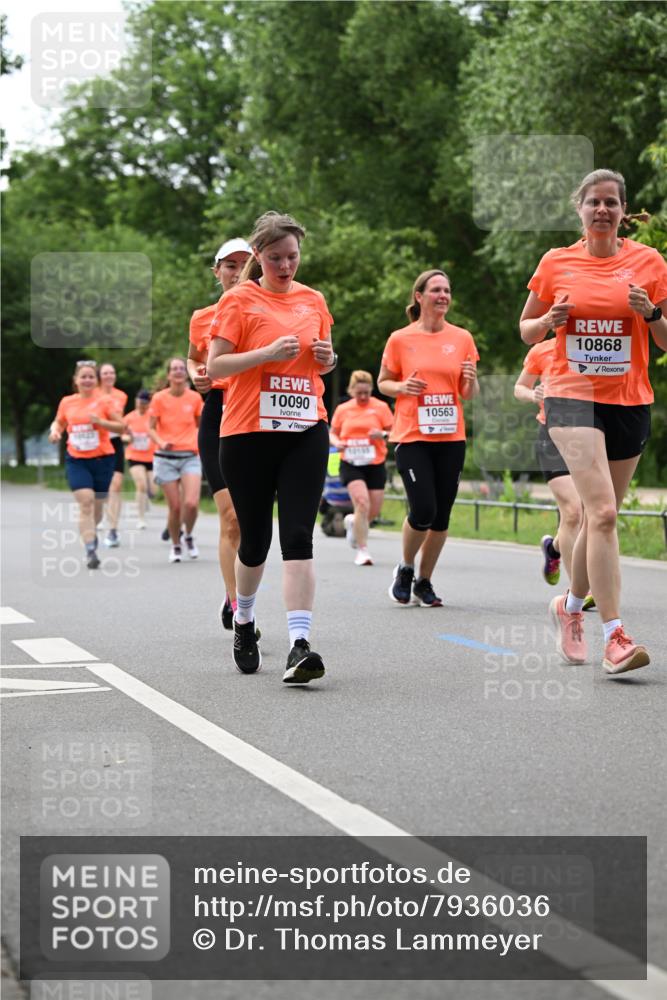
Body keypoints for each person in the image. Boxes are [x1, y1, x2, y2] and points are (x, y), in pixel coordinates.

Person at [519, 168, 667, 674]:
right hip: (570, 396)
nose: (602, 209)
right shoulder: (556, 262)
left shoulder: (649, 262)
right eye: (593, 202)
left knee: (601, 518)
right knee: (600, 513)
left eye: (611, 202)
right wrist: (547, 323)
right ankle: (616, 636)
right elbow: (525, 329)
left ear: (624, 210)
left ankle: (569, 606)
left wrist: (651, 315)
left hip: (628, 400)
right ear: (579, 209)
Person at [207, 211, 336, 682]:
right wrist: (265, 355)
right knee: (255, 541)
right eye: (277, 258)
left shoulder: (314, 300)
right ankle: (244, 620)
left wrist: (328, 358)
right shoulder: (240, 300)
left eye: (293, 258)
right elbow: (215, 367)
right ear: (258, 257)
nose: (286, 266)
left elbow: (322, 361)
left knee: (299, 535)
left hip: (305, 428)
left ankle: (299, 646)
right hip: (247, 434)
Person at [378, 269, 479, 607]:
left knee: (441, 516)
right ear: (419, 296)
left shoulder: (462, 338)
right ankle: (405, 568)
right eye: (435, 289)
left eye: (447, 290)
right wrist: (402, 387)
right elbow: (383, 382)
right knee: (423, 508)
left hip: (451, 436)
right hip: (412, 434)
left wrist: (471, 379)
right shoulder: (400, 339)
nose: (443, 295)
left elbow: (469, 393)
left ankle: (424, 581)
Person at [187, 238, 251, 628]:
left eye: (245, 265)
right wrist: (197, 376)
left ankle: (245, 591)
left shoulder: (269, 311)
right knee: (232, 520)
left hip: (257, 418)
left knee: (252, 519)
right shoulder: (202, 317)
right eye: (230, 265)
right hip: (219, 414)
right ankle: (236, 603)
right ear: (217, 271)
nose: (237, 272)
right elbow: (196, 358)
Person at [514, 338, 586, 590]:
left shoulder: (594, 346)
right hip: (552, 432)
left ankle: (553, 548)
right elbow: (519, 387)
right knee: (573, 510)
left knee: (589, 513)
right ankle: (578, 588)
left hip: (589, 435)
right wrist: (533, 393)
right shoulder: (542, 350)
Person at [48, 361, 124, 569]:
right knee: (86, 502)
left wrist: (101, 422)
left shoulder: (105, 401)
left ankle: (93, 530)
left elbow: (122, 426)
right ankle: (90, 549)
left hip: (103, 460)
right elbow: (59, 421)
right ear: (76, 380)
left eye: (91, 377)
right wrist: (55, 431)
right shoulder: (67, 402)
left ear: (96, 380)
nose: (87, 380)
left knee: (98, 507)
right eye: (83, 377)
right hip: (77, 459)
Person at [329, 371, 393, 566]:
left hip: (375, 463)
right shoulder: (343, 409)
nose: (363, 397)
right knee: (362, 503)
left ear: (371, 390)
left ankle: (352, 522)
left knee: (372, 512)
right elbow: (332, 433)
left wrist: (381, 433)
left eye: (366, 393)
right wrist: (337, 443)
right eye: (359, 393)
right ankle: (362, 550)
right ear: (351, 391)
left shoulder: (380, 407)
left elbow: (395, 433)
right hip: (351, 463)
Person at [148, 358, 203, 563]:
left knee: (191, 503)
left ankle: (188, 535)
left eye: (182, 368)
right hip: (165, 458)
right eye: (174, 369)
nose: (179, 372)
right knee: (176, 507)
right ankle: (176, 544)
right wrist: (160, 441)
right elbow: (150, 428)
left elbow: (200, 425)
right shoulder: (159, 399)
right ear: (169, 375)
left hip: (190, 456)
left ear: (186, 374)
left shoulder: (195, 398)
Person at [97, 362, 128, 548]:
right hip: (97, 443)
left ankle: (113, 530)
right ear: (100, 376)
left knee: (115, 485)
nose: (109, 375)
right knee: (100, 487)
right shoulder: (93, 394)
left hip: (115, 442)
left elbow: (119, 420)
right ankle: (99, 514)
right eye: (105, 373)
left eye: (112, 372)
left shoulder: (121, 396)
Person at [124, 389, 155, 529]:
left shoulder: (153, 416)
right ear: (136, 401)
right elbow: (121, 435)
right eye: (140, 402)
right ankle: (141, 518)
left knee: (153, 490)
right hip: (134, 455)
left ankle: (147, 497)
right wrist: (128, 438)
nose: (142, 405)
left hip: (152, 456)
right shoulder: (129, 418)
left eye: (145, 403)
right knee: (141, 485)